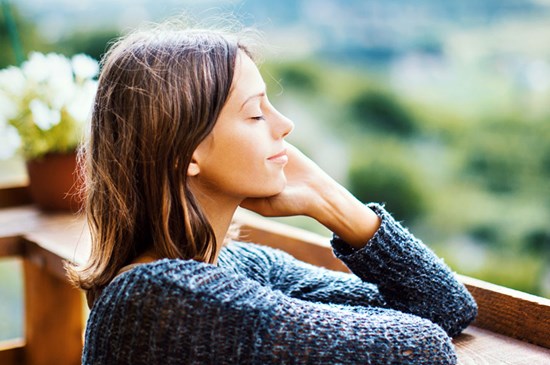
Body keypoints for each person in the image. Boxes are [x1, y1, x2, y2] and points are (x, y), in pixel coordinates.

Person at [68, 22, 477, 365]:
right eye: (255, 113)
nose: (285, 125)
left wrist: (328, 199)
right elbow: (421, 348)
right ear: (185, 154)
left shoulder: (238, 265)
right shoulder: (160, 298)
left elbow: (444, 307)